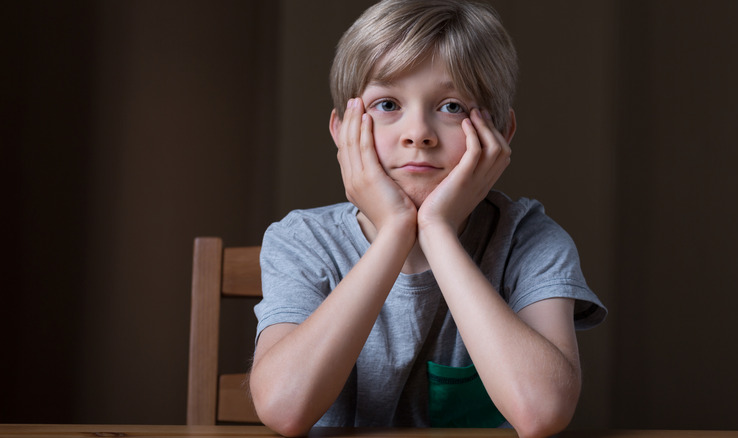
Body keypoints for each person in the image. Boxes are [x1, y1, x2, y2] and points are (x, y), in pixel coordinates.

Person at [249, 0, 606, 436]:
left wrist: (436, 232)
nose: (417, 133)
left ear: (501, 134)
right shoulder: (301, 240)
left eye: (452, 106)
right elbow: (285, 409)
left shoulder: (528, 240)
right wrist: (395, 231)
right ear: (342, 129)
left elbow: (541, 413)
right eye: (386, 104)